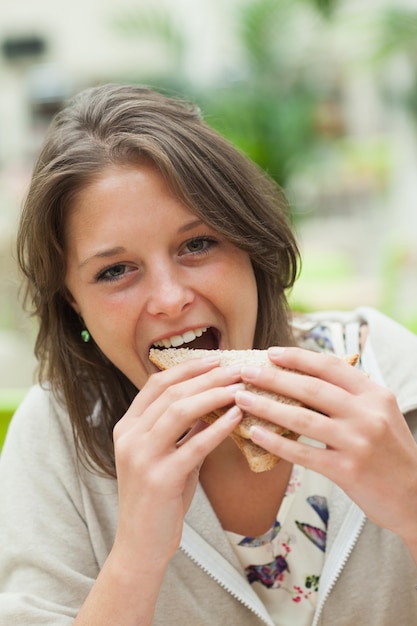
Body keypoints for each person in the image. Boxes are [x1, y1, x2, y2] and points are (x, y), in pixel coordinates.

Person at [0, 83, 417, 626]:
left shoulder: (390, 378)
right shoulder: (59, 437)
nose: (171, 299)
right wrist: (136, 558)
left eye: (197, 244)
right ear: (75, 305)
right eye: (115, 271)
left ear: (251, 243)